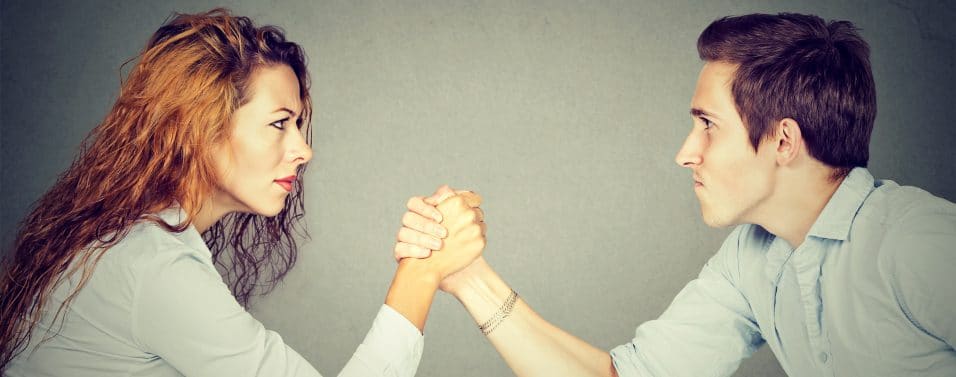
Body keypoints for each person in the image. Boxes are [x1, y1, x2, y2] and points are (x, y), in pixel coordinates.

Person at [398, 13, 956, 376]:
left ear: (783, 140)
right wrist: (468, 276)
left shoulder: (917, 241)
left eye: (708, 125)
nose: (685, 152)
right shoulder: (751, 259)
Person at [0, 9, 485, 377]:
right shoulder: (151, 266)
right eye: (279, 124)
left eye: (297, 124)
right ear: (199, 127)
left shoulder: (134, 244)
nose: (303, 150)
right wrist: (421, 274)